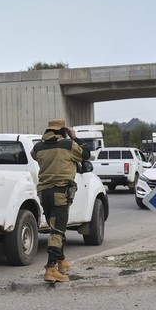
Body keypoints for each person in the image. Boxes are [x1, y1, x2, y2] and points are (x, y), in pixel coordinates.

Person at [31, 119, 90, 283]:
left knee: (55, 226)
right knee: (57, 230)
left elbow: (35, 156)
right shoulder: (67, 145)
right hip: (60, 192)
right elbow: (86, 154)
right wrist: (74, 137)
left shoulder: (37, 147)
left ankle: (61, 261)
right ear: (63, 131)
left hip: (44, 192)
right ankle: (51, 269)